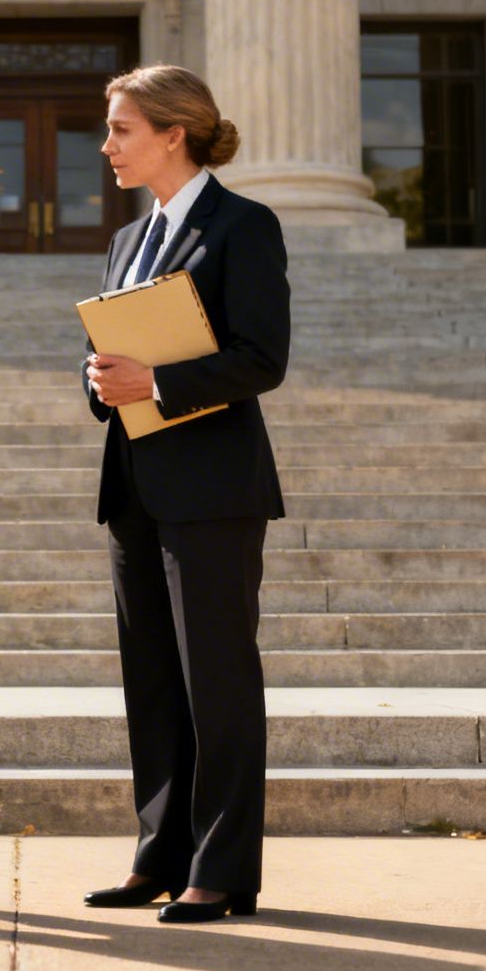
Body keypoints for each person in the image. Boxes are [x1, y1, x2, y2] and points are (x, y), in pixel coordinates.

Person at [80, 64, 289, 924]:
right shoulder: (129, 240)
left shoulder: (245, 225)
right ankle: (158, 856)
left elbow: (260, 358)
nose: (107, 147)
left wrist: (157, 382)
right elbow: (108, 359)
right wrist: (102, 379)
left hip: (214, 488)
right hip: (135, 485)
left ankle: (222, 868)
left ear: (174, 132)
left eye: (122, 129)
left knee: (218, 681)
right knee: (154, 682)